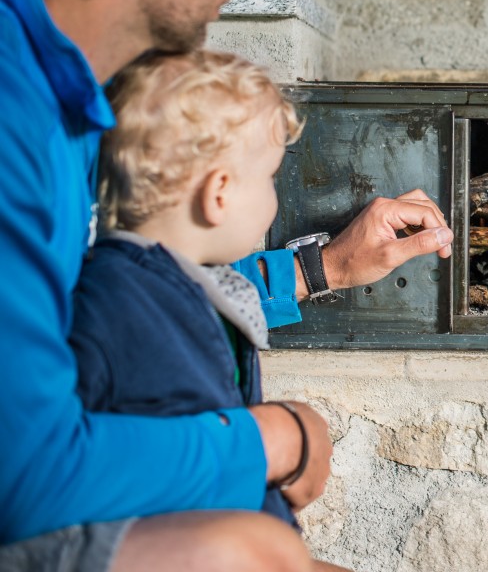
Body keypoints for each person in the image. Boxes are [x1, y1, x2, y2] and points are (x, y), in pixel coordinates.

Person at [0, 0, 452, 569]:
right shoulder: (12, 110)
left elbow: (137, 292)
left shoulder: (72, 92)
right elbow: (27, 475)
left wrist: (324, 267)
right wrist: (272, 437)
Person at [70, 49, 348, 572]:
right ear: (219, 193)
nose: (274, 201)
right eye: (268, 178)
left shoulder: (179, 289)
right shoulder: (113, 303)